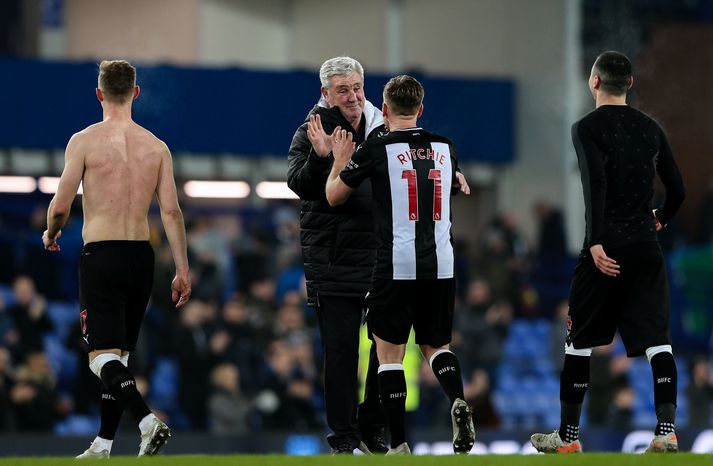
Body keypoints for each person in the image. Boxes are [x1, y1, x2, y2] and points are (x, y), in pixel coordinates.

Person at [530, 51, 685, 454]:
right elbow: (678, 189)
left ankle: (568, 438)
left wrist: (596, 240)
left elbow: (594, 183)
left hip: (606, 249)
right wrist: (660, 218)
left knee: (578, 341)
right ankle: (666, 430)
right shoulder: (651, 128)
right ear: (629, 85)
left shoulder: (586, 128)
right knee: (658, 342)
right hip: (646, 250)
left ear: (594, 82)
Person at [42, 60, 191, 458]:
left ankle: (147, 421)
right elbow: (172, 212)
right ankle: (103, 444)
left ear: (99, 94)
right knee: (120, 355)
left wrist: (52, 232)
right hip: (142, 258)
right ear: (136, 93)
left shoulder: (85, 141)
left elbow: (60, 205)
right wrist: (181, 268)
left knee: (100, 357)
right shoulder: (157, 147)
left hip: (102, 255)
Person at [325, 74, 474, 455]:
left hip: (396, 264)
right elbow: (449, 181)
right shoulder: (446, 146)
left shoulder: (378, 147)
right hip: (442, 264)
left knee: (389, 354)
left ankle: (401, 443)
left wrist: (339, 160)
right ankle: (457, 398)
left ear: (385, 110)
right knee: (437, 345)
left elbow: (335, 196)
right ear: (421, 109)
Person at [286, 56, 387, 454]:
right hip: (333, 259)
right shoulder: (310, 131)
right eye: (343, 90)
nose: (353, 96)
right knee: (341, 354)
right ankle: (344, 437)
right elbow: (299, 184)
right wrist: (321, 156)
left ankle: (373, 422)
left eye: (357, 87)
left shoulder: (381, 127)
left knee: (387, 346)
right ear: (326, 94)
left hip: (380, 256)